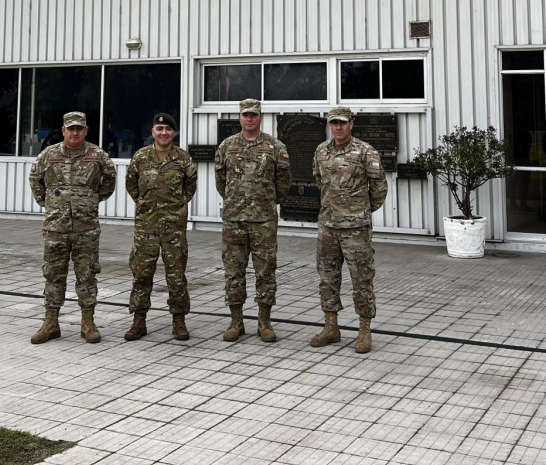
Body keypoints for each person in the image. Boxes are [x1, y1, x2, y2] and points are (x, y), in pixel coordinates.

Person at [27, 111, 116, 344]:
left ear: (86, 130)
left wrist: (89, 202)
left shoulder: (98, 156)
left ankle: (88, 324)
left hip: (86, 228)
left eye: (79, 128)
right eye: (71, 128)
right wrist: (50, 205)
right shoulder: (49, 155)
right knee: (53, 274)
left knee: (87, 275)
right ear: (63, 130)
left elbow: (108, 183)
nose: (75, 132)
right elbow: (35, 180)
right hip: (56, 227)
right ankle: (50, 323)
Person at [309, 106, 387, 354]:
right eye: (334, 123)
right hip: (328, 226)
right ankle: (331, 327)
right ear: (330, 125)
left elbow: (379, 188)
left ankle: (364, 331)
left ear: (352, 123)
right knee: (327, 278)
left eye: (343, 122)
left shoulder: (365, 152)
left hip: (355, 228)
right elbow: (318, 180)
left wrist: (360, 211)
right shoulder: (321, 151)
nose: (338, 127)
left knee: (361, 279)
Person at [214, 98, 292, 342]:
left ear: (260, 117)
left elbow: (284, 183)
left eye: (254, 115)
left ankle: (264, 322)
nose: (249, 119)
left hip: (263, 221)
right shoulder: (227, 146)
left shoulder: (275, 147)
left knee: (266, 272)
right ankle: (236, 322)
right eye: (245, 115)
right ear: (240, 117)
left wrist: (266, 202)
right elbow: (221, 181)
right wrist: (235, 202)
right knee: (233, 272)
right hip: (234, 220)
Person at [124, 112, 197, 341]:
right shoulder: (140, 157)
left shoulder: (183, 159)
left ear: (174, 133)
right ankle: (138, 321)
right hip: (146, 228)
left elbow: (190, 187)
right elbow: (132, 186)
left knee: (176, 275)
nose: (164, 133)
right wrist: (147, 207)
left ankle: (179, 320)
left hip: (173, 228)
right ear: (153, 132)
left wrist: (174, 208)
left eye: (168, 130)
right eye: (159, 129)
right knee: (142, 274)